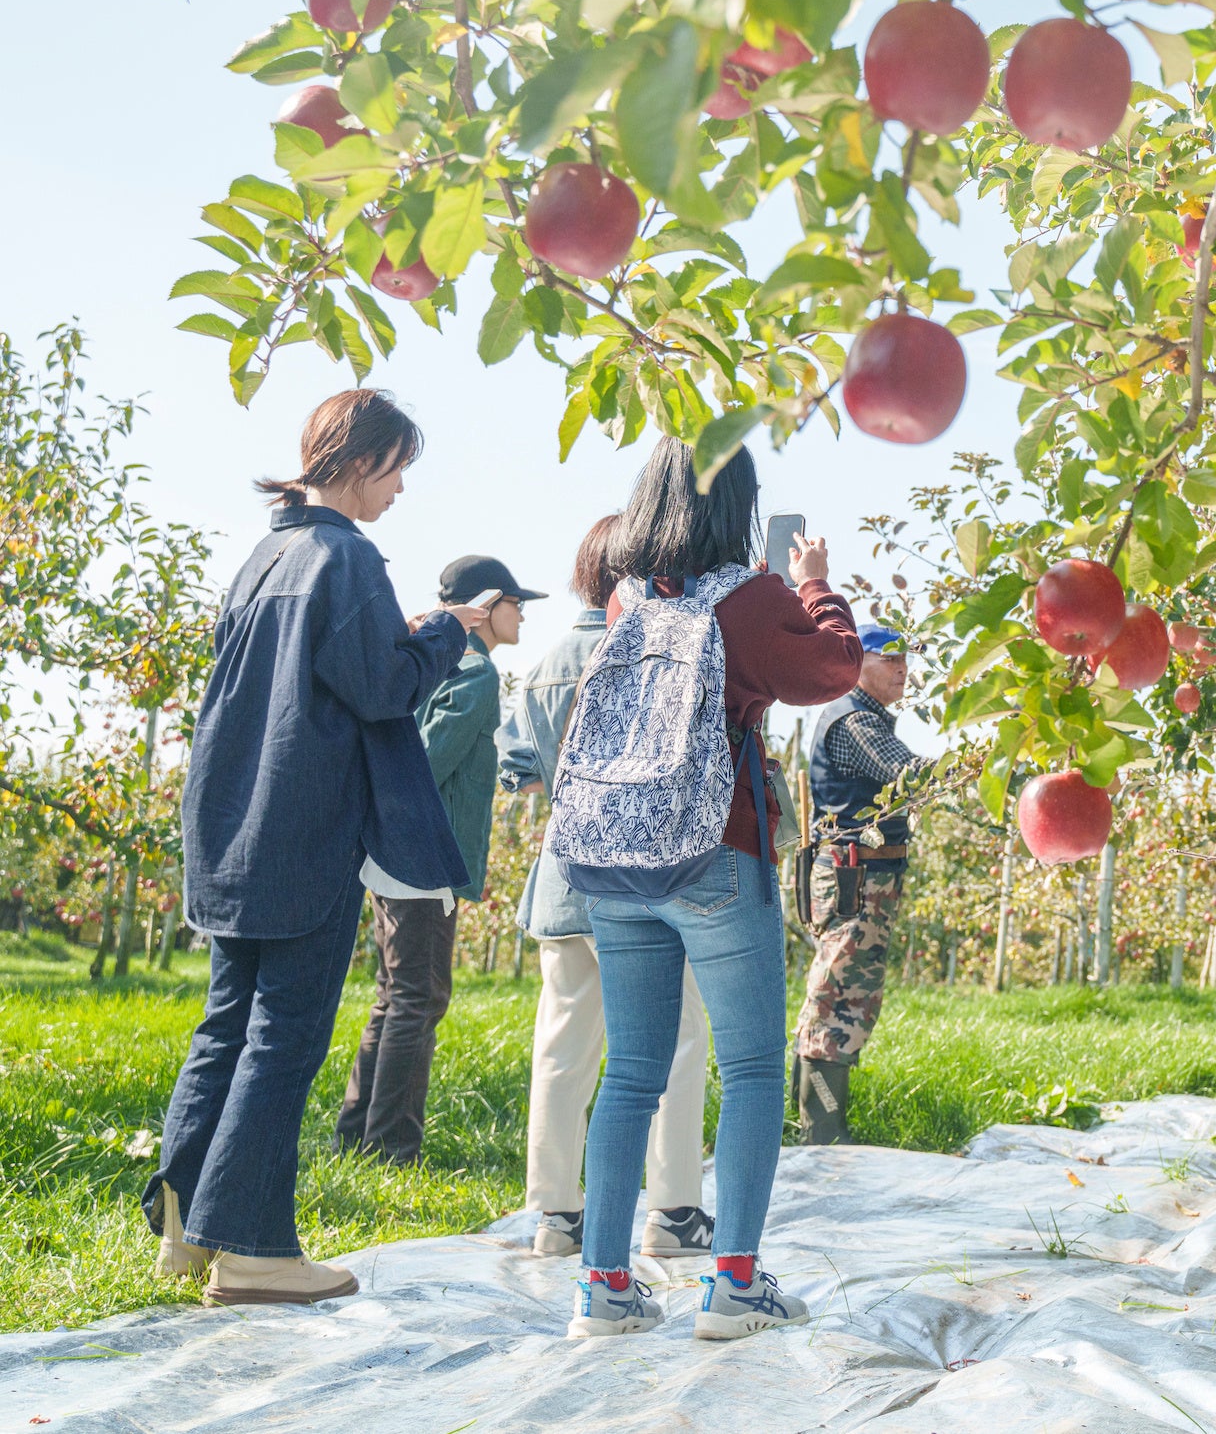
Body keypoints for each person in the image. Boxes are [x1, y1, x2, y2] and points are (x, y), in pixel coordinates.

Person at [147, 389, 481, 1305]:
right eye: (398, 465)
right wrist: (449, 632)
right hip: (304, 825)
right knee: (283, 1035)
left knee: (228, 1021)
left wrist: (399, 638)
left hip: (231, 820)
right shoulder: (347, 556)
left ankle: (185, 1224)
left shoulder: (265, 556)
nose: (402, 486)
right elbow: (381, 689)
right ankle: (252, 1249)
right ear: (360, 458)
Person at [561, 439, 861, 1343]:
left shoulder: (624, 600)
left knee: (632, 1074)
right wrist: (814, 582)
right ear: (737, 502)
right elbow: (835, 666)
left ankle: (603, 1286)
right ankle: (733, 1280)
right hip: (713, 851)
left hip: (615, 859)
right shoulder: (748, 596)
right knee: (756, 1067)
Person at [503, 516, 713, 1259]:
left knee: (562, 1051)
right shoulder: (660, 651)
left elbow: (521, 766)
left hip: (565, 878)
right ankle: (673, 1208)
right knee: (678, 1043)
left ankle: (556, 1215)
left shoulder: (547, 662)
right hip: (646, 880)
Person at [334, 553, 541, 1164]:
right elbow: (423, 766)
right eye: (514, 601)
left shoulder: (436, 667)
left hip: (395, 853)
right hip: (423, 856)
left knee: (395, 993)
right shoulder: (475, 676)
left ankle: (357, 1134)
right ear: (483, 607)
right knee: (419, 997)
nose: (522, 613)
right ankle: (391, 1147)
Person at [793, 627, 932, 1144]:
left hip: (865, 876)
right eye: (889, 658)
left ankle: (818, 1128)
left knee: (847, 993)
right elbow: (908, 775)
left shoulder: (866, 718)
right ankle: (821, 1133)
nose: (902, 669)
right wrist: (980, 767)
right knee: (838, 997)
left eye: (906, 660)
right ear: (858, 663)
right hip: (855, 878)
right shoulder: (854, 721)